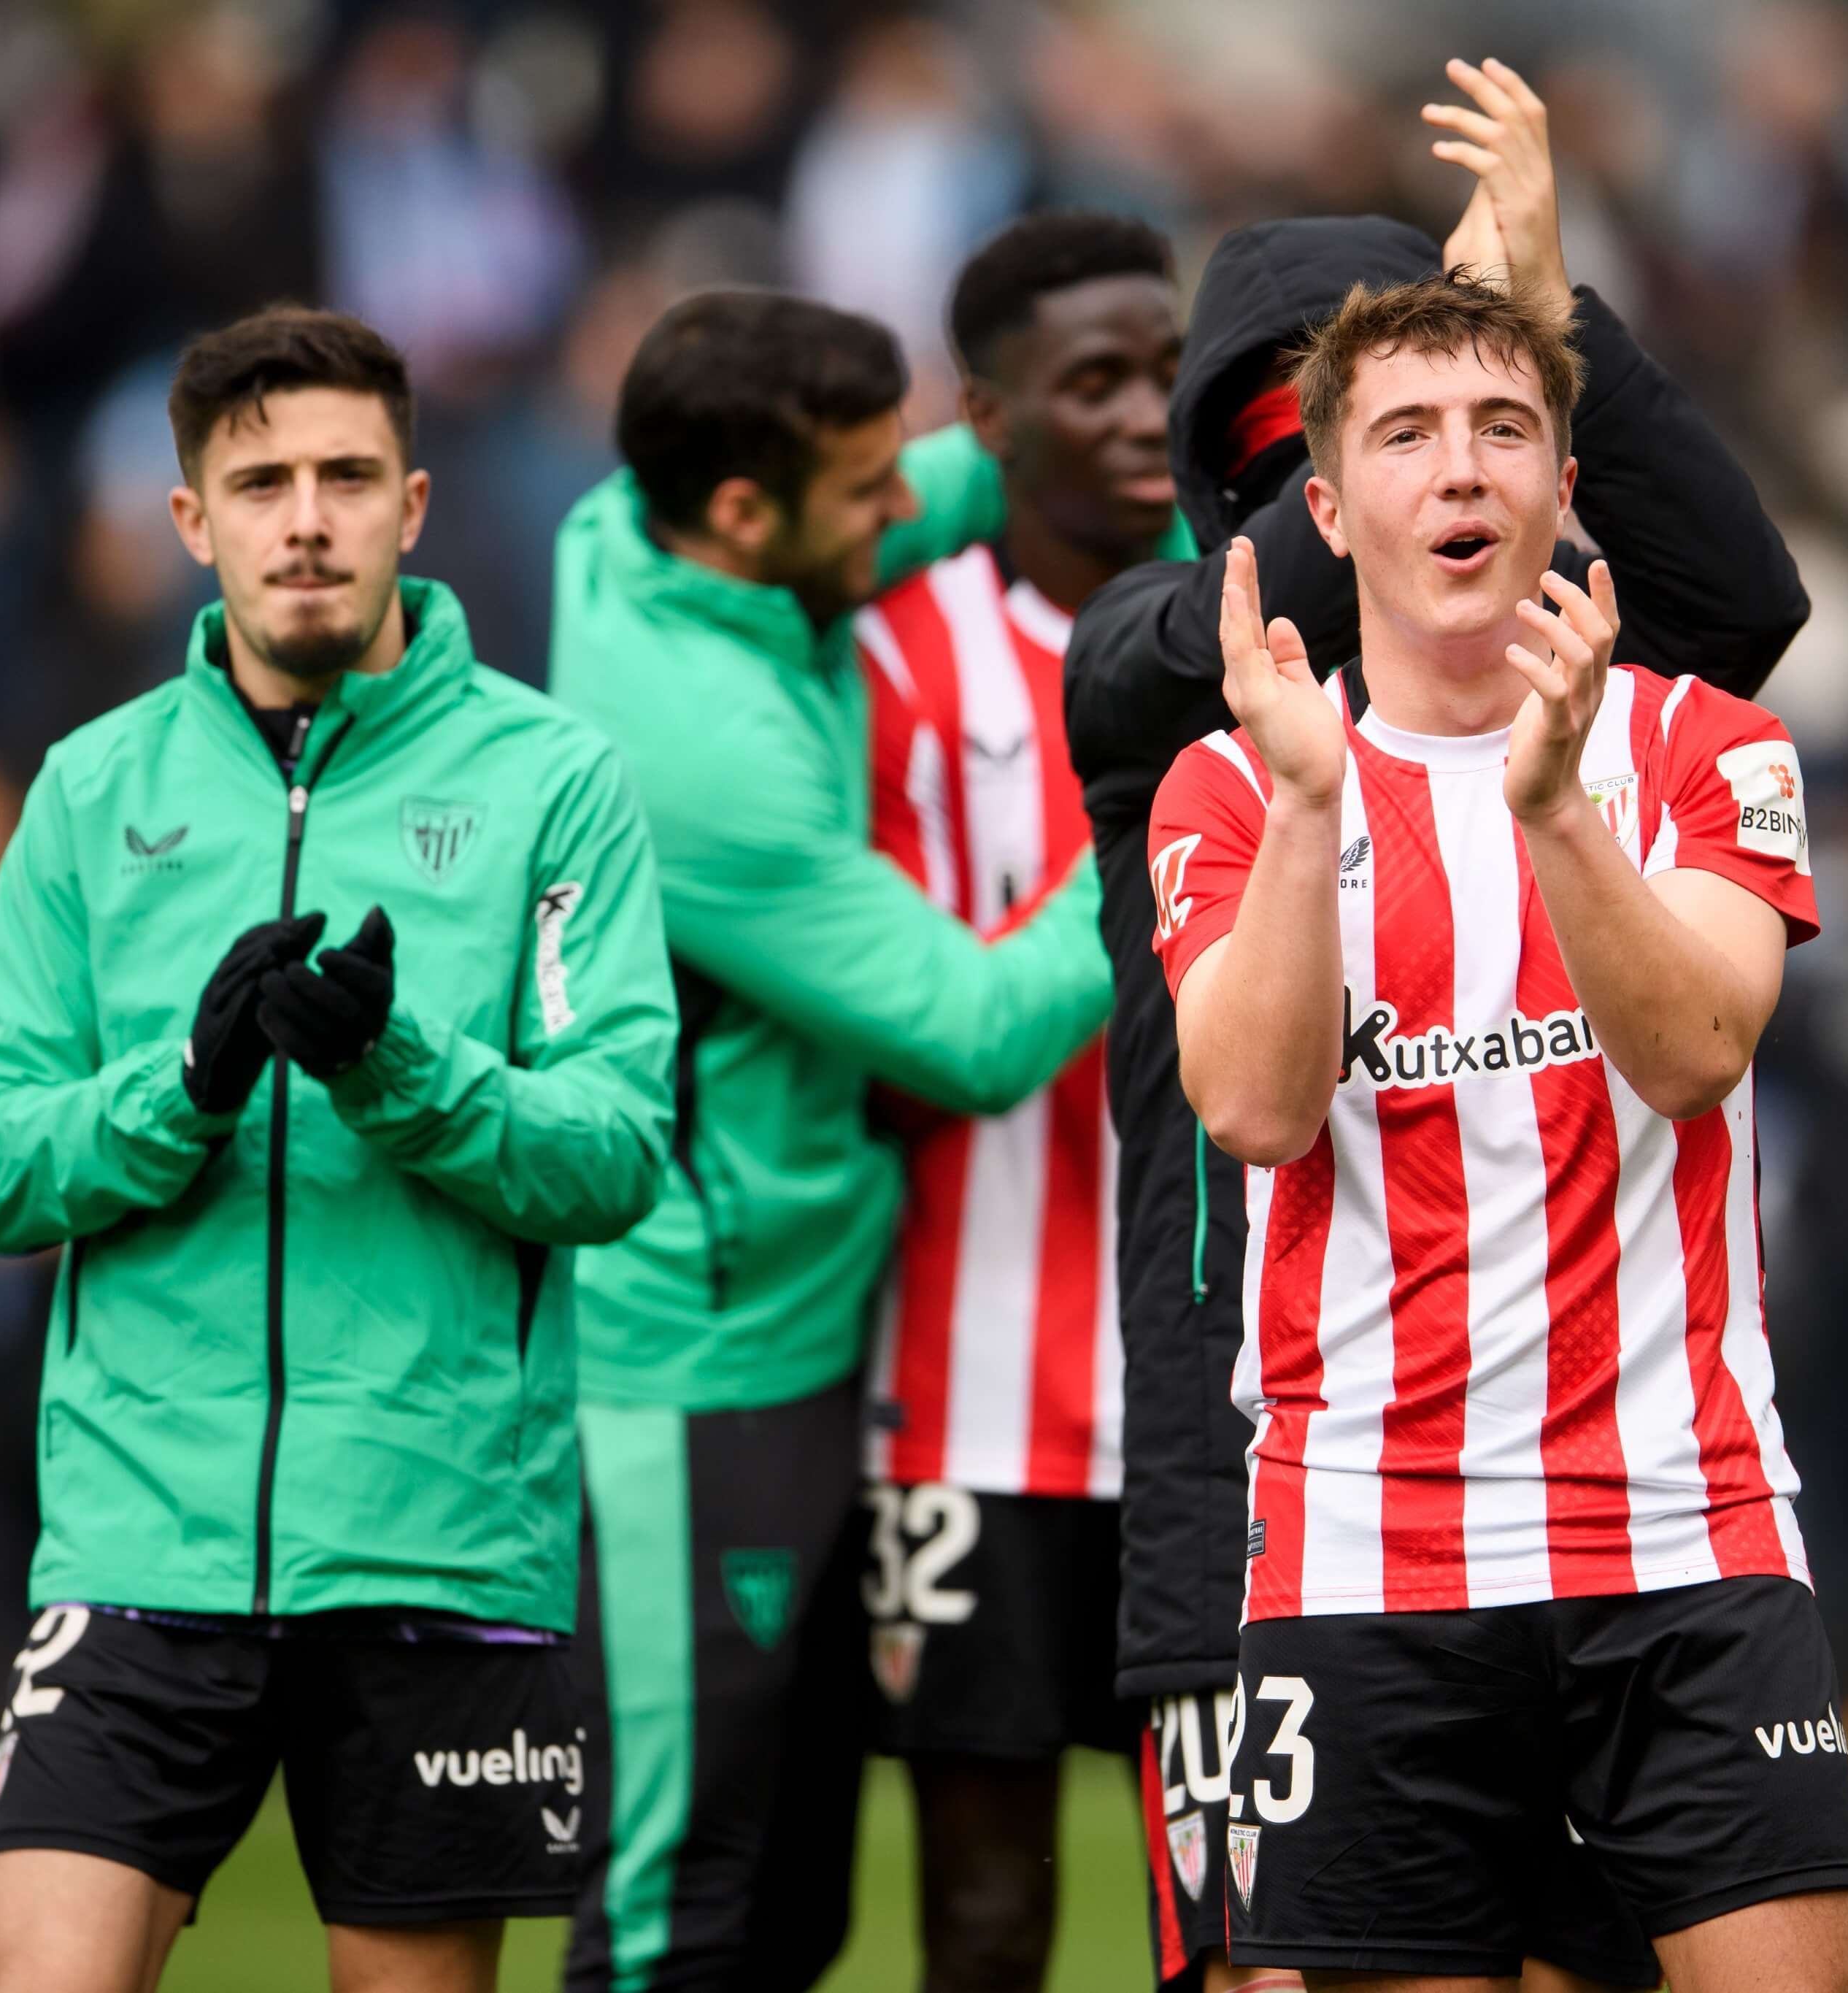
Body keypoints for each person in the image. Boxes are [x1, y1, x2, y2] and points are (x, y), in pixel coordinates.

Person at [1061, 58, 1810, 1992]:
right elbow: (1337, 581)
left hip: (1622, 1487)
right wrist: (1498, 378)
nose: (1447, 473)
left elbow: (1735, 597)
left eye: (1497, 426)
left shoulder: (1621, 719)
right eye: (1370, 425)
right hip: (1263, 1442)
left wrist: (1541, 327)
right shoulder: (1158, 666)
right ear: (1280, 464)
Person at [0, 306, 679, 1993]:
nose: (307, 517)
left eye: (347, 475)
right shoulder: (86, 788)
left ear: (413, 506)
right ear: (190, 523)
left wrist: (398, 1071)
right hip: (139, 1538)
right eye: (259, 482)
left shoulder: (552, 781)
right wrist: (178, 1090)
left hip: (437, 1535)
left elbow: (616, 1145)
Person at [547, 293, 1113, 1993]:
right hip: (689, 1369)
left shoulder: (655, 519)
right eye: (864, 492)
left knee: (789, 1905)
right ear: (741, 515)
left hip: (803, 1329)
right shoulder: (698, 759)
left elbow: (962, 477)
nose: (905, 511)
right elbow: (982, 1031)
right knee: (672, 1902)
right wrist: (1172, 793)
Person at [850, 210, 1183, 1993]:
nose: (1146, 414)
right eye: (1095, 382)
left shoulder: (1274, 628)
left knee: (1232, 1906)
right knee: (981, 1916)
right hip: (960, 1394)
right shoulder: (892, 656)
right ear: (987, 418)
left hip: (1227, 1398)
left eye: (1168, 369)